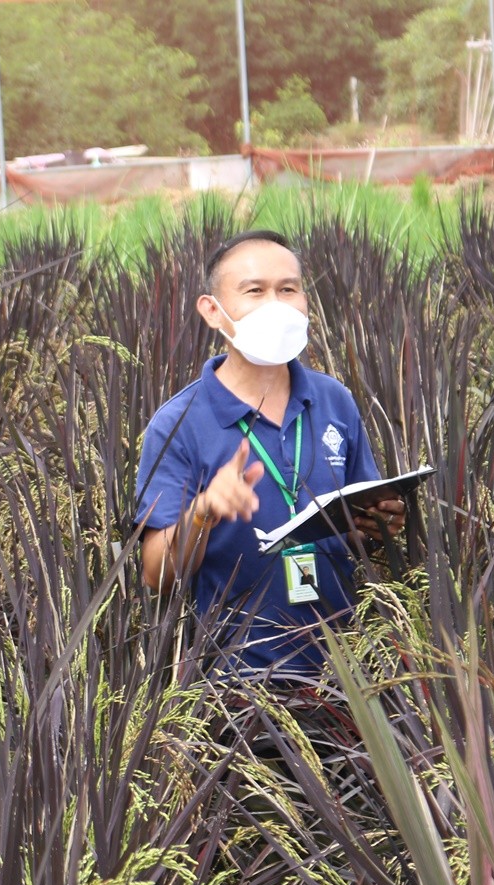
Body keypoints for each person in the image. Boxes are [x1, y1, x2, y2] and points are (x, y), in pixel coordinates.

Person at [134, 230, 406, 683]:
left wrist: (381, 525)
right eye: (255, 291)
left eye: (288, 289)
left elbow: (364, 533)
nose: (275, 304)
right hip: (239, 685)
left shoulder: (333, 400)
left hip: (347, 676)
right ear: (212, 311)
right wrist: (203, 512)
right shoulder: (177, 424)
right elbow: (157, 575)